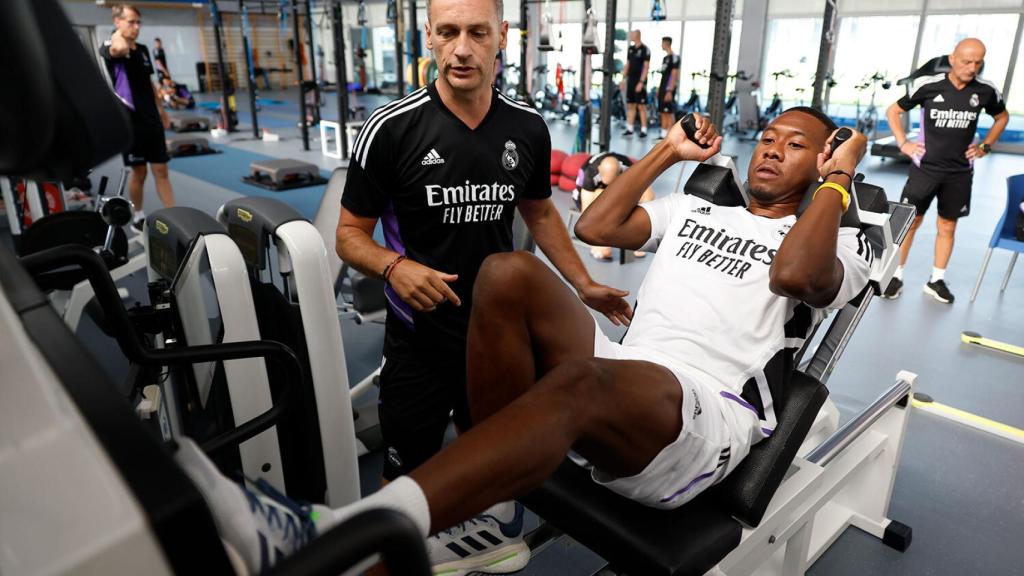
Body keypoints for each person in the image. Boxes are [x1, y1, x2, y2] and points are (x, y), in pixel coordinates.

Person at [184, 109, 873, 575]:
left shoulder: (840, 242)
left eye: (798, 144)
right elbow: (598, 227)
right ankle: (495, 507)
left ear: (824, 163)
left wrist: (840, 180)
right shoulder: (695, 208)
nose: (774, 149)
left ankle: (338, 536)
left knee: (576, 384)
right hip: (630, 370)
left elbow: (795, 273)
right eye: (770, 138)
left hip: (706, 413)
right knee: (506, 271)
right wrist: (668, 150)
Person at [335, 0, 631, 569]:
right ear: (429, 38)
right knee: (404, 476)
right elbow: (349, 235)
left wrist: (583, 282)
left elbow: (541, 213)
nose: (462, 48)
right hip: (418, 336)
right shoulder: (391, 129)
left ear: (502, 38)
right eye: (448, 33)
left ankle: (482, 544)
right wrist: (395, 267)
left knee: (493, 465)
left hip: (496, 340)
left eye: (477, 32)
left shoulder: (527, 127)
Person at [883, 37, 1008, 303]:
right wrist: (903, 143)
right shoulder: (928, 86)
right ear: (952, 59)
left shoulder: (986, 90)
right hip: (924, 169)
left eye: (978, 62)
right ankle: (896, 275)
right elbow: (893, 111)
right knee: (910, 223)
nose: (972, 67)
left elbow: (1002, 116)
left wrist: (986, 146)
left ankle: (936, 280)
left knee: (948, 225)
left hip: (960, 172)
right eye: (966, 61)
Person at [100, 4, 175, 229]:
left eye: (138, 22)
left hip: (151, 119)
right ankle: (138, 215)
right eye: (131, 22)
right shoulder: (109, 46)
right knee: (139, 173)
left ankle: (175, 215)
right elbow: (120, 49)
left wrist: (162, 110)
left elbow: (149, 83)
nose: (136, 27)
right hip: (131, 123)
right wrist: (119, 33)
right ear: (117, 21)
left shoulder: (142, 50)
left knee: (161, 170)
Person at [575, 152, 654, 260]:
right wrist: (596, 241)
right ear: (599, 171)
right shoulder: (590, 173)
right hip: (588, 196)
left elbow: (647, 192)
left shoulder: (627, 166)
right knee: (600, 194)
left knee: (647, 193)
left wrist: (638, 223)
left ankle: (636, 233)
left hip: (617, 192)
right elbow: (585, 211)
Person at [620, 30, 651, 138]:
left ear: (637, 35)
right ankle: (630, 128)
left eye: (632, 34)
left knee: (641, 107)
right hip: (631, 81)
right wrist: (623, 79)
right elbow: (627, 65)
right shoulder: (631, 49)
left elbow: (646, 67)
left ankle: (644, 129)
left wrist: (641, 82)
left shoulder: (645, 50)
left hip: (640, 82)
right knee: (631, 105)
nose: (630, 36)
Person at [657, 36, 681, 139]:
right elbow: (664, 75)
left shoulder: (674, 57)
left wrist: (670, 90)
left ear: (666, 43)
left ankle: (672, 137)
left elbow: (674, 75)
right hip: (663, 87)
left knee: (669, 112)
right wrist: (660, 88)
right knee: (663, 111)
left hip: (668, 89)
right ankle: (663, 135)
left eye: (662, 43)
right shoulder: (665, 58)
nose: (661, 45)